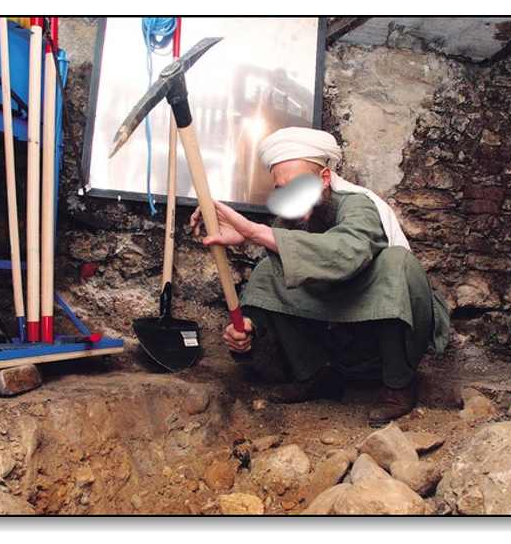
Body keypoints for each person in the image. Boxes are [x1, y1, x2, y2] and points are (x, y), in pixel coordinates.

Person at [189, 127, 449, 423]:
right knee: (268, 269)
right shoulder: (291, 219)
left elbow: (345, 254)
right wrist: (247, 327)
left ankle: (398, 385)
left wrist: (254, 232)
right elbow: (273, 285)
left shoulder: (359, 204)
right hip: (338, 344)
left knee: (397, 263)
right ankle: (315, 375)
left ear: (325, 178)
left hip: (378, 344)